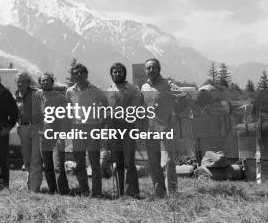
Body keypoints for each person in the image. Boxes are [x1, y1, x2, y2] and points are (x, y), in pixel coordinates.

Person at [65, 63, 108, 197]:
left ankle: (96, 192)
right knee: (79, 162)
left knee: (94, 162)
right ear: (73, 76)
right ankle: (84, 190)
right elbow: (68, 109)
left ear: (86, 74)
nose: (78, 75)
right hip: (77, 129)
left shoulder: (96, 90)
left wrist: (101, 124)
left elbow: (106, 106)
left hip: (93, 127)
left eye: (81, 73)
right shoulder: (69, 91)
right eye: (76, 73)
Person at [141, 58, 181, 198]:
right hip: (150, 129)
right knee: (153, 162)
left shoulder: (168, 85)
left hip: (166, 128)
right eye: (148, 68)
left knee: (169, 160)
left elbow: (184, 98)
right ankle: (159, 193)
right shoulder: (144, 87)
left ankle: (173, 194)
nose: (151, 70)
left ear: (159, 69)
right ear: (145, 71)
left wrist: (175, 113)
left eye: (154, 67)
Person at [106, 63, 143, 198]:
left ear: (124, 73)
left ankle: (132, 193)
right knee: (118, 162)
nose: (117, 74)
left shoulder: (133, 89)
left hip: (128, 129)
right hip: (113, 130)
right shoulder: (109, 90)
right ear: (111, 74)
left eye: (119, 71)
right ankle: (120, 193)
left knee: (129, 162)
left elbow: (137, 108)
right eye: (114, 72)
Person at [37, 72, 70, 195]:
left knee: (58, 166)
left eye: (47, 80)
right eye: (42, 80)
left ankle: (64, 193)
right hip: (42, 136)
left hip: (56, 137)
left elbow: (65, 119)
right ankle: (53, 191)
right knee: (48, 166)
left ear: (52, 82)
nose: (44, 82)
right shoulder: (38, 96)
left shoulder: (60, 98)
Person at [15, 71, 43, 193]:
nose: (20, 83)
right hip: (23, 129)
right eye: (18, 81)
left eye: (23, 81)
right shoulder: (16, 95)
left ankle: (34, 190)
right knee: (26, 160)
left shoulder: (37, 93)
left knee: (35, 159)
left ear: (28, 82)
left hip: (37, 128)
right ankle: (30, 184)